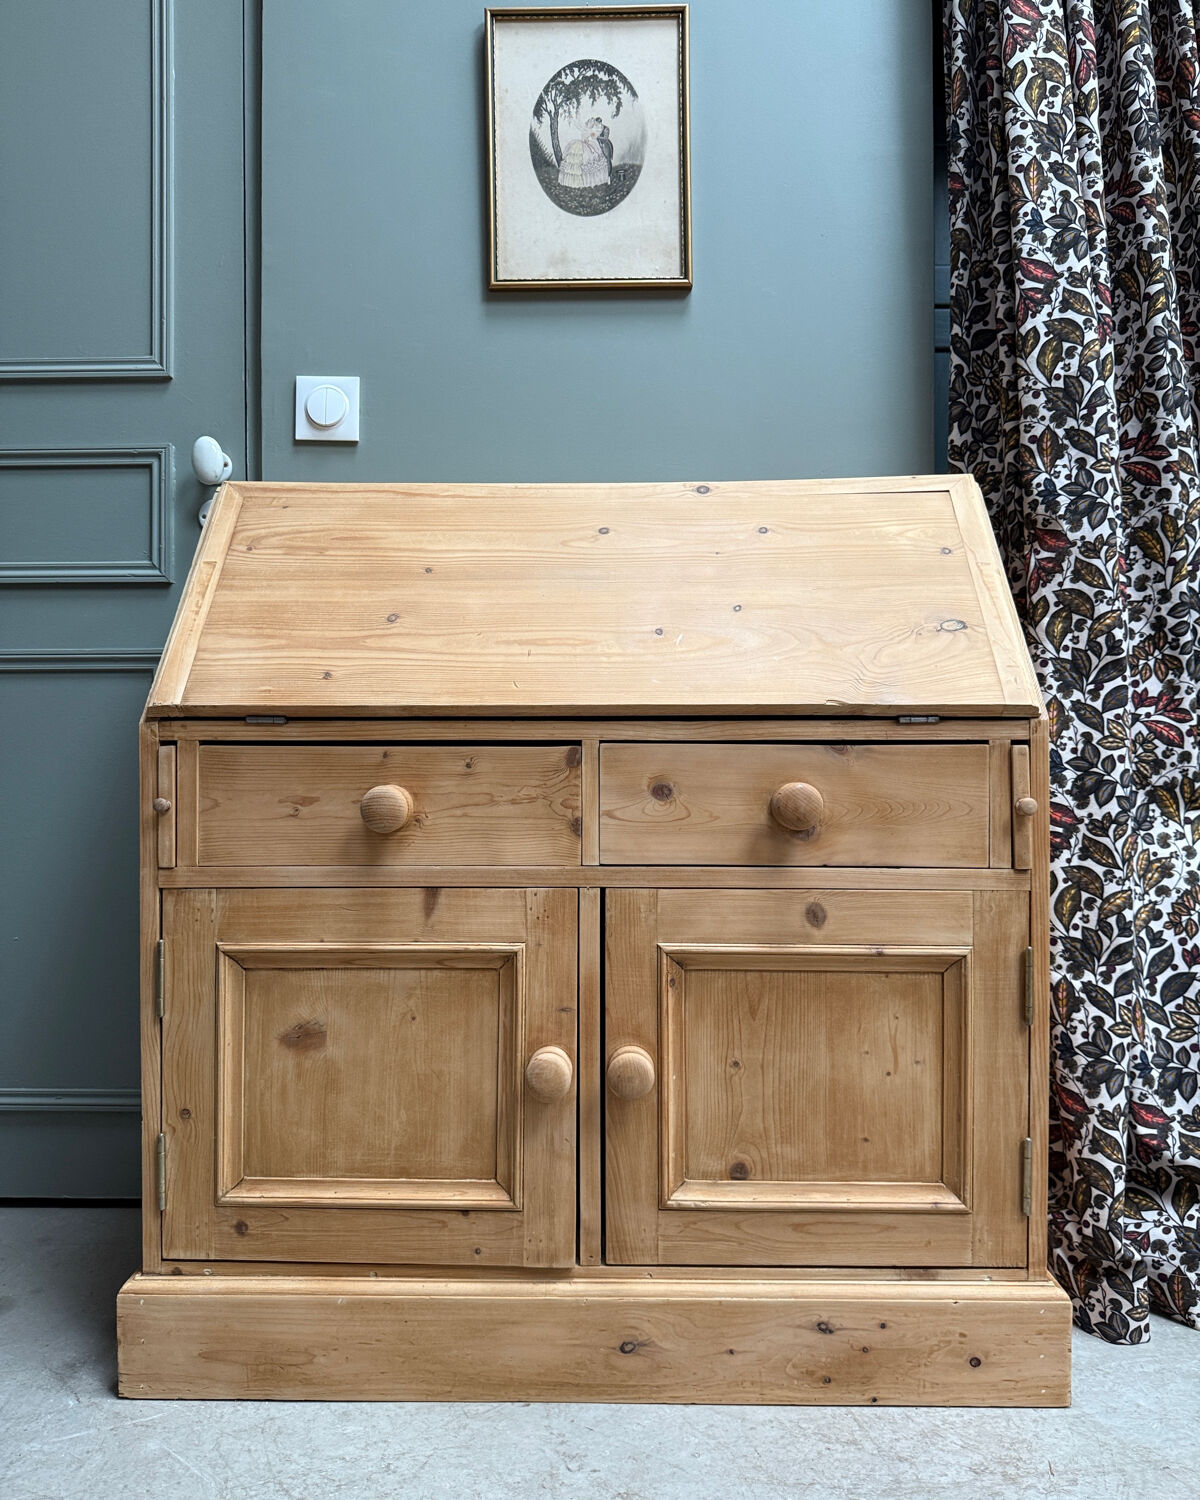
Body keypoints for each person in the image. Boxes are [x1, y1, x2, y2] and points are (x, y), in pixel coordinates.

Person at [557, 117, 610, 189]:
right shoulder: (588, 129)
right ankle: (578, 182)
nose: (591, 124)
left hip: (587, 144)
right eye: (591, 123)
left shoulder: (591, 129)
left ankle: (589, 181)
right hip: (584, 144)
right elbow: (586, 134)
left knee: (590, 158)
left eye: (591, 123)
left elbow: (592, 135)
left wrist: (592, 137)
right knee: (582, 159)